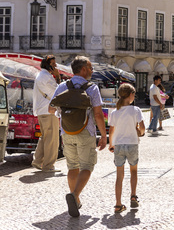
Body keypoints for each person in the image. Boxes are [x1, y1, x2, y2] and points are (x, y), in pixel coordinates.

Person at [52, 56, 107, 218]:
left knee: (72, 167)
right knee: (87, 166)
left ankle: (74, 198)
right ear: (82, 69)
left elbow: (51, 109)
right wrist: (103, 135)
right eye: (90, 68)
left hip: (67, 132)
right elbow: (97, 114)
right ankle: (74, 195)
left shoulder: (62, 86)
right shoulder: (92, 88)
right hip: (85, 132)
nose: (92, 70)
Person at [108, 83, 145, 213]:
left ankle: (118, 204)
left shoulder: (114, 112)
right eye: (133, 94)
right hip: (132, 144)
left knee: (119, 175)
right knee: (133, 171)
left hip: (118, 145)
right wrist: (140, 132)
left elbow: (111, 130)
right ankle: (133, 196)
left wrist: (111, 144)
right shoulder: (136, 110)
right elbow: (142, 129)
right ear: (130, 95)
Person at [31, 55, 62, 172]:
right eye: (53, 64)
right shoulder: (45, 77)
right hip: (48, 111)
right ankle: (48, 165)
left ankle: (38, 161)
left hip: (43, 111)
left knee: (45, 137)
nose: (55, 66)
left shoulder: (43, 75)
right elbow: (58, 91)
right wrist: (58, 76)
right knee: (52, 139)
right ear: (48, 65)